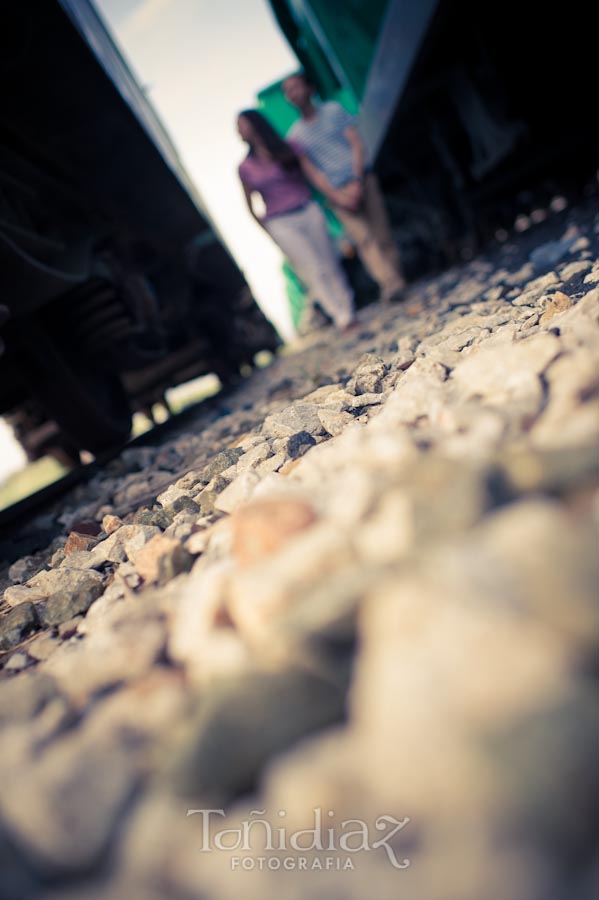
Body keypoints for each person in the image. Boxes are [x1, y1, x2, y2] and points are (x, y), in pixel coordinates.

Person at [282, 72, 406, 304]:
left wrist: (357, 181)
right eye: (288, 91)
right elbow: (314, 174)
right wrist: (337, 196)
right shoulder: (295, 137)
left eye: (296, 87)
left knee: (382, 234)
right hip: (338, 194)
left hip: (362, 180)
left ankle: (395, 280)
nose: (294, 93)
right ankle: (391, 283)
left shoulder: (333, 111)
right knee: (364, 239)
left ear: (309, 88)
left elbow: (356, 144)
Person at [236, 109, 356, 332]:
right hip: (280, 222)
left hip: (307, 209)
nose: (238, 131)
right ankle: (340, 315)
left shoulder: (289, 148)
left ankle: (347, 306)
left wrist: (336, 196)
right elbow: (250, 206)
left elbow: (314, 176)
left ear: (255, 124)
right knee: (313, 268)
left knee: (329, 260)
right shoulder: (245, 168)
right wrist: (269, 230)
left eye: (241, 124)